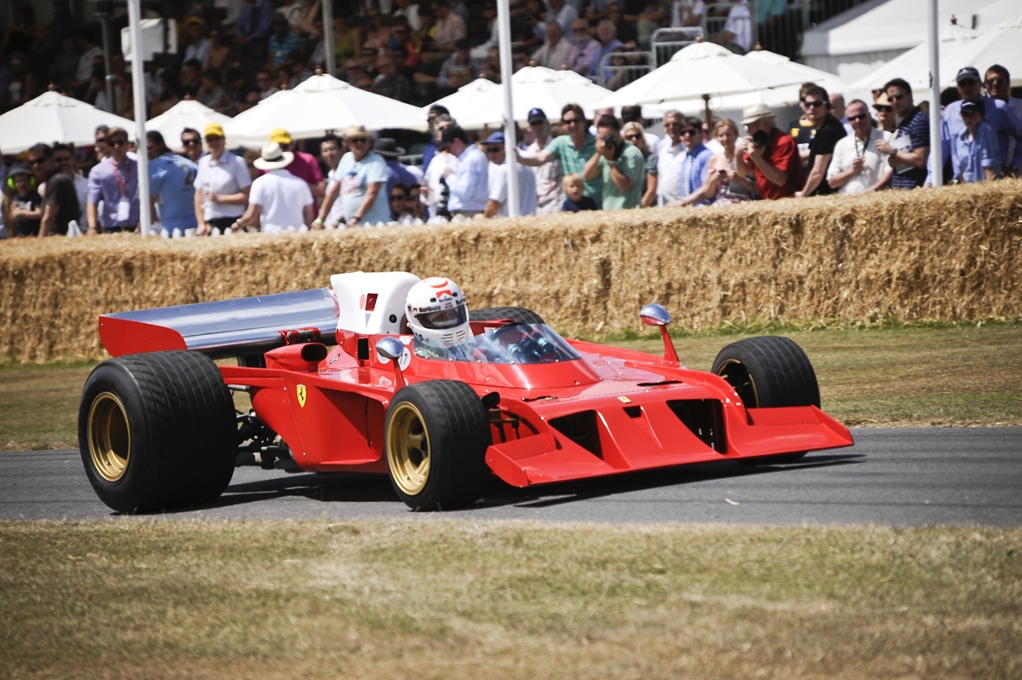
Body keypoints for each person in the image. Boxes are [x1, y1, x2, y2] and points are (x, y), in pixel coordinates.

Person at [927, 66, 1022, 185]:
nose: (967, 87)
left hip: (991, 182)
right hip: (961, 182)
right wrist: (930, 180)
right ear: (958, 88)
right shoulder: (950, 111)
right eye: (962, 83)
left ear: (980, 84)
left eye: (971, 82)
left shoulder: (998, 107)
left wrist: (1014, 166)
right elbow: (940, 148)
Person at [516, 103, 602, 207]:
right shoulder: (561, 143)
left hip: (597, 204)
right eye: (568, 122)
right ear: (564, 125)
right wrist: (518, 158)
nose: (573, 124)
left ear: (584, 121)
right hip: (573, 207)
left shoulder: (597, 143)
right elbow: (540, 158)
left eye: (576, 120)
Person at [317, 124, 389, 227]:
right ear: (347, 143)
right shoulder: (346, 158)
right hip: (353, 225)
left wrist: (356, 218)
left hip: (375, 225)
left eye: (363, 139)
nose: (359, 143)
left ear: (369, 142)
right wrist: (320, 220)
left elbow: (372, 192)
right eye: (355, 140)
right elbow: (334, 191)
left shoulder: (376, 161)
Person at [234, 142, 314, 232]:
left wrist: (238, 223)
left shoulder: (259, 183)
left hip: (271, 236)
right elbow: (309, 215)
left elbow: (251, 215)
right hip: (297, 235)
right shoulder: (300, 183)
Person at [677, 118, 756, 206]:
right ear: (717, 137)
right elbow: (708, 193)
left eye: (729, 135)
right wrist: (714, 180)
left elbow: (756, 188)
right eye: (721, 135)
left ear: (736, 135)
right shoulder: (714, 159)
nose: (725, 138)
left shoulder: (746, 156)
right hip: (721, 205)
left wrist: (741, 179)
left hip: (744, 205)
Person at [734, 103, 803, 200]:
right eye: (747, 126)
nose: (748, 130)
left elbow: (780, 180)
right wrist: (737, 154)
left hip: (788, 201)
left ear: (765, 124)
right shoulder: (757, 142)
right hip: (768, 201)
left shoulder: (784, 141)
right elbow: (742, 172)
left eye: (752, 125)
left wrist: (757, 159)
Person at [194, 123, 252, 236]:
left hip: (233, 222)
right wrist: (201, 223)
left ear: (224, 140)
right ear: (206, 142)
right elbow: (198, 196)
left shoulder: (237, 162)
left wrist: (220, 198)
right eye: (210, 139)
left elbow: (247, 196)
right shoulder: (203, 163)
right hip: (210, 223)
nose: (214, 142)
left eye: (217, 138)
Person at [826, 99, 892, 195]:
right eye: (852, 118)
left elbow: (891, 171)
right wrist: (852, 171)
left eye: (861, 116)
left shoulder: (886, 137)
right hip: (848, 204)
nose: (857, 121)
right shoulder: (842, 144)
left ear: (869, 116)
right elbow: (832, 182)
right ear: (848, 121)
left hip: (878, 201)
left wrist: (874, 189)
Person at [874, 78, 929, 190]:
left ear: (910, 95)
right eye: (890, 99)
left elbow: (920, 160)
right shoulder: (905, 121)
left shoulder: (918, 122)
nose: (895, 101)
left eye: (898, 97)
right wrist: (893, 160)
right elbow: (904, 155)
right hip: (902, 190)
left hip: (914, 190)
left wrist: (891, 150)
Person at [583, 113, 644, 209]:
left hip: (629, 215)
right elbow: (587, 175)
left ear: (619, 133)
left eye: (610, 137)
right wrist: (599, 152)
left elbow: (624, 186)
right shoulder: (605, 151)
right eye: (603, 138)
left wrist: (610, 160)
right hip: (610, 216)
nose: (608, 141)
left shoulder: (632, 153)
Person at [406, 276, 473, 359]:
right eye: (439, 318)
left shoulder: (467, 343)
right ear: (416, 319)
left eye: (452, 315)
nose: (449, 321)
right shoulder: (422, 356)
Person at [86, 127, 139, 234]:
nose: (117, 146)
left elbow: (149, 198)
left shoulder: (140, 167)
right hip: (111, 228)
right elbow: (92, 201)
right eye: (112, 143)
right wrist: (92, 227)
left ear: (127, 144)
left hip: (137, 227)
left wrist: (142, 224)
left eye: (120, 142)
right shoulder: (98, 171)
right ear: (108, 146)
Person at [797, 85, 846, 197]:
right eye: (808, 104)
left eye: (817, 104)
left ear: (827, 106)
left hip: (828, 196)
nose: (812, 108)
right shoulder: (824, 127)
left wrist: (803, 195)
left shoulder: (829, 130)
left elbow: (818, 172)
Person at [145, 131, 198, 235]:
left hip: (171, 228)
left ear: (160, 145)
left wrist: (141, 229)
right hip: (194, 226)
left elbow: (149, 202)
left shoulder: (154, 166)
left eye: (149, 148)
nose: (146, 152)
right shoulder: (190, 164)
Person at [477, 131, 538, 219]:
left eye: (495, 150)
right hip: (531, 221)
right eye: (488, 150)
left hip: (513, 224)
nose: (491, 154)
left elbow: (493, 205)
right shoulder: (525, 158)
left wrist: (483, 218)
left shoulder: (504, 169)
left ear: (506, 148)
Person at [27, 143, 79, 237]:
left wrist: (40, 244)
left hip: (60, 239)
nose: (36, 165)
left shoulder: (56, 181)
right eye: (32, 162)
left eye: (40, 160)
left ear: (51, 159)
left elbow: (48, 218)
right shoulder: (60, 177)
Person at [438, 125, 489, 217]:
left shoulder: (469, 160)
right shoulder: (479, 156)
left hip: (466, 213)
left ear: (456, 141)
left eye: (448, 148)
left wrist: (449, 176)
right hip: (476, 211)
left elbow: (464, 193)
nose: (448, 152)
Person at [522, 108, 563, 215]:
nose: (537, 126)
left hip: (555, 207)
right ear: (529, 128)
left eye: (540, 122)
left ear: (547, 124)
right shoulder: (529, 151)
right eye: (534, 123)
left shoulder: (557, 147)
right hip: (535, 208)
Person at [950, 98, 1000, 184]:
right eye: (965, 114)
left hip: (984, 189)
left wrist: (990, 189)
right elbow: (961, 168)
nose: (969, 118)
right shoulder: (960, 136)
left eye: (972, 114)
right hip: (969, 189)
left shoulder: (985, 130)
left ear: (982, 115)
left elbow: (989, 163)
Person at [985, 64, 1022, 178]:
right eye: (990, 81)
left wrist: (1015, 166)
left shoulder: (1020, 106)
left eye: (1000, 80)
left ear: (1008, 83)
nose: (995, 84)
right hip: (992, 174)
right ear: (985, 85)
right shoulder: (980, 109)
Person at [654, 110, 688, 206]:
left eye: (675, 124)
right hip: (662, 204)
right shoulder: (661, 147)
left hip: (682, 203)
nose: (671, 127)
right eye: (667, 125)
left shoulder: (689, 148)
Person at [622, 121, 657, 207]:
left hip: (645, 209)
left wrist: (639, 210)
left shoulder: (651, 158)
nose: (634, 139)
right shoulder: (620, 159)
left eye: (638, 136)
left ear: (643, 139)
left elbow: (651, 190)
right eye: (630, 137)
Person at [2, 164, 42, 237]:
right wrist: (13, 214)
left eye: (25, 180)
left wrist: (22, 213)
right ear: (13, 183)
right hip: (21, 235)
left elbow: (39, 214)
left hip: (34, 234)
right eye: (18, 181)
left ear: (30, 181)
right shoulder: (14, 199)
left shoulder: (34, 196)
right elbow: (13, 218)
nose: (22, 183)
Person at [315, 134, 345, 229]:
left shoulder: (348, 173)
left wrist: (338, 220)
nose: (329, 154)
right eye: (325, 151)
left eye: (332, 149)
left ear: (342, 150)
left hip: (344, 225)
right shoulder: (331, 175)